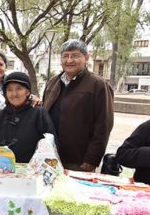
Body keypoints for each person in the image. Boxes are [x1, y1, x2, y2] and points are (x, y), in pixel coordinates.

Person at [42, 39, 114, 171]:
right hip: (50, 156)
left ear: (86, 57)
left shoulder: (98, 85)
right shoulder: (53, 82)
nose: (69, 60)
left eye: (75, 55)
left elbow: (103, 125)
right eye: (65, 56)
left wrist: (92, 159)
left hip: (78, 161)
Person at [0, 72, 56, 163]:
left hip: (31, 172)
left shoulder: (39, 114)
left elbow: (51, 144)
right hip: (1, 170)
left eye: (19, 89)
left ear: (28, 91)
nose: (14, 94)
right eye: (9, 90)